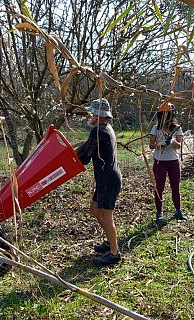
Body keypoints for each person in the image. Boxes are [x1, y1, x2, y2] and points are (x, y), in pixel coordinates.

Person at [76, 98, 122, 267]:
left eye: (93, 113)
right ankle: (110, 243)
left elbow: (86, 156)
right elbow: (88, 147)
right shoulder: (105, 128)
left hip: (108, 180)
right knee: (95, 209)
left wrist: (70, 158)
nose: (91, 116)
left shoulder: (99, 131)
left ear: (99, 115)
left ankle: (114, 253)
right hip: (107, 178)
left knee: (105, 215)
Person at [149, 102, 187, 222]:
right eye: (162, 114)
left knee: (175, 187)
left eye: (167, 114)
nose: (165, 117)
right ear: (159, 115)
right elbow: (151, 145)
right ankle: (159, 212)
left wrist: (171, 142)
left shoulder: (177, 128)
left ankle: (178, 211)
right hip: (160, 162)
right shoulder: (156, 128)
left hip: (173, 162)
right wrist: (158, 144)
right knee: (159, 187)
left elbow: (178, 145)